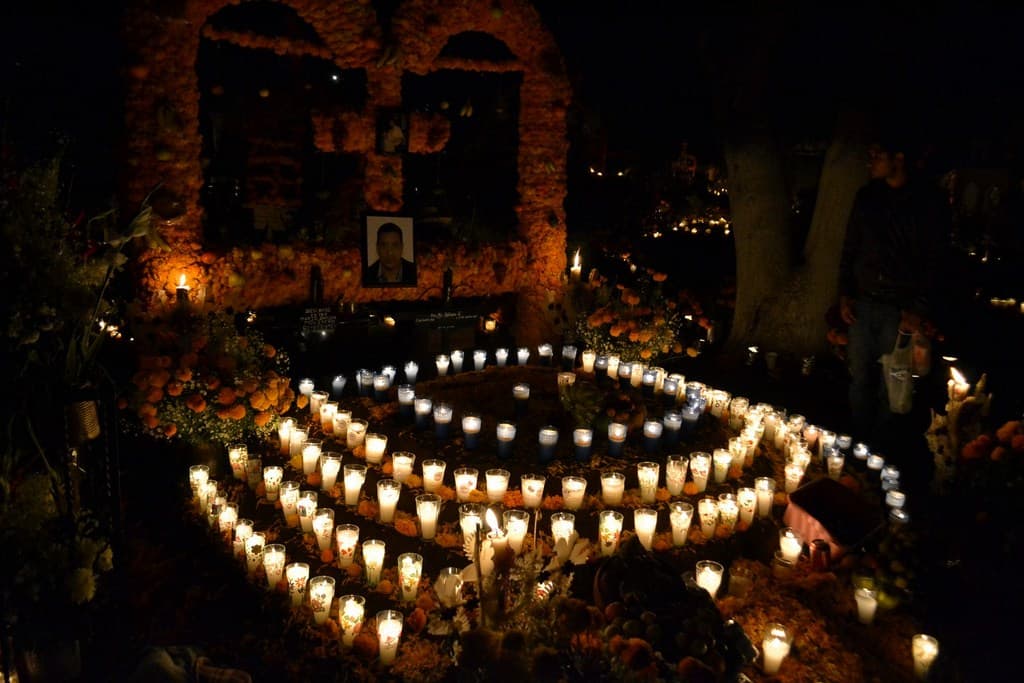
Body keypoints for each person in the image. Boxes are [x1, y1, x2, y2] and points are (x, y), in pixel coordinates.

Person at [838, 130, 950, 452]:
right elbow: (851, 246)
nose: (870, 161)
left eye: (877, 155)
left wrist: (918, 308)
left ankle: (882, 450)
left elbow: (935, 259)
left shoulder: (926, 202)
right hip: (863, 302)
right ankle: (859, 446)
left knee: (894, 382)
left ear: (898, 158)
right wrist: (845, 293)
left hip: (899, 310)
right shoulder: (867, 197)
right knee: (859, 378)